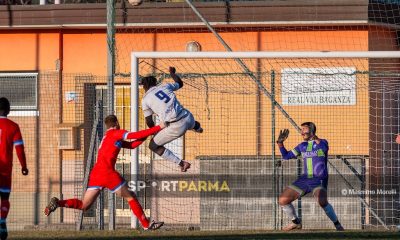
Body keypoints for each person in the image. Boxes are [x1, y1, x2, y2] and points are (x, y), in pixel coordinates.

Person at [44, 115, 164, 230]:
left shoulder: (108, 136)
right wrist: (158, 127)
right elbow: (134, 135)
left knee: (84, 205)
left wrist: (149, 134)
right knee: (130, 196)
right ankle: (146, 225)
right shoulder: (116, 133)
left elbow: (132, 145)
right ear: (116, 123)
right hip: (107, 173)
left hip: (96, 174)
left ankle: (58, 203)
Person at [276, 122, 344, 231]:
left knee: (322, 202)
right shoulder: (302, 146)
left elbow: (324, 148)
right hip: (305, 179)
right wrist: (280, 143)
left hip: (319, 179)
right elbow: (286, 156)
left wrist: (314, 136)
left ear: (311, 131)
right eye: (301, 130)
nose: (301, 132)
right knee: (282, 200)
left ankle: (338, 225)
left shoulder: (323, 142)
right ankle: (296, 222)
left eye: (304, 129)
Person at [141, 66, 203, 172]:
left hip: (176, 126)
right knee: (192, 123)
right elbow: (180, 83)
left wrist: (155, 132)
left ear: (144, 86)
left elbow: (149, 121)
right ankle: (197, 127)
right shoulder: (165, 86)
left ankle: (182, 163)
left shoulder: (145, 100)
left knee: (153, 145)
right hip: (187, 116)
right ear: (155, 83)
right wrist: (172, 73)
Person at [0, 97, 28, 240]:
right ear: (8, 110)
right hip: (5, 168)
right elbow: (19, 149)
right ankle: (2, 221)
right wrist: (24, 166)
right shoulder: (13, 126)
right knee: (4, 197)